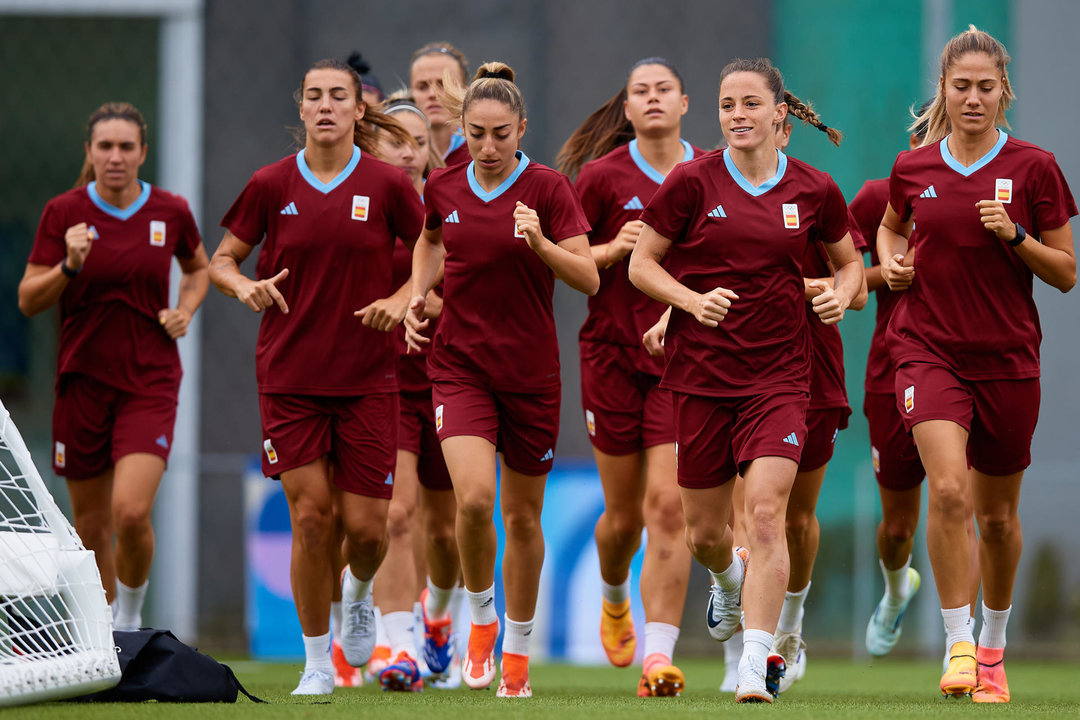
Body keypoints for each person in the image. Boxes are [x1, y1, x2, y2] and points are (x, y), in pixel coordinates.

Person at [628, 57, 865, 703]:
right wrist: (686, 300)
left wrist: (840, 294)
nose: (737, 115)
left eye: (750, 104)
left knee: (766, 517)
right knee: (706, 533)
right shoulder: (690, 182)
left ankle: (758, 665)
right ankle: (727, 585)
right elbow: (641, 266)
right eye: (728, 104)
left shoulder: (815, 190)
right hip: (702, 380)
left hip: (782, 380)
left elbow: (853, 269)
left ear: (779, 116)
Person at [209, 59, 424, 696]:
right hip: (290, 378)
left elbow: (431, 250)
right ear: (300, 109)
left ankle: (358, 591)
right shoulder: (270, 183)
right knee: (310, 517)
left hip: (367, 381)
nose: (325, 105)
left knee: (365, 528)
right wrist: (243, 285)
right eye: (314, 96)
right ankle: (315, 662)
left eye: (338, 96)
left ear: (360, 110)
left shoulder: (386, 184)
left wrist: (405, 295)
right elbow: (222, 259)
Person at [878, 26, 1075, 702]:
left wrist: (1015, 235)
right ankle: (958, 643)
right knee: (950, 491)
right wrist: (893, 262)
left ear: (1003, 92)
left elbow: (1067, 273)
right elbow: (889, 224)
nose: (971, 98)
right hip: (926, 349)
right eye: (960, 86)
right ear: (943, 90)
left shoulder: (1035, 167)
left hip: (1009, 360)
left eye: (984, 87)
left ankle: (992, 649)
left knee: (995, 519)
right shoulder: (914, 169)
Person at [404, 61, 599, 698]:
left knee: (520, 519)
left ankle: (518, 647)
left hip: (531, 376)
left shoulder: (546, 188)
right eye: (477, 133)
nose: (488, 147)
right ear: (462, 128)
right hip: (459, 367)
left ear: (522, 129)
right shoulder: (445, 185)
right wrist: (417, 293)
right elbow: (429, 242)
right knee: (473, 501)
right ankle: (480, 618)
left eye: (501, 134)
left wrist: (541, 243)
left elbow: (588, 278)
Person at [18, 102, 208, 633]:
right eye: (105, 146)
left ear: (143, 152)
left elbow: (198, 269)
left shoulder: (170, 211)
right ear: (89, 152)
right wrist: (68, 265)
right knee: (92, 525)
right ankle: (98, 633)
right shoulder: (63, 213)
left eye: (127, 147)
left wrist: (185, 310)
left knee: (130, 511)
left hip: (149, 382)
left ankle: (128, 618)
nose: (116, 157)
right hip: (81, 383)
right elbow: (29, 299)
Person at [557, 57, 698, 698]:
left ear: (685, 102)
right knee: (622, 519)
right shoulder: (601, 177)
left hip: (683, 361)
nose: (652, 99)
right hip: (611, 357)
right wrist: (615, 248)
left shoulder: (709, 173)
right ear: (629, 107)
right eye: (640, 91)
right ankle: (615, 594)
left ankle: (658, 656)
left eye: (663, 89)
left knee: (668, 506)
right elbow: (569, 258)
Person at [852, 102, 981, 662]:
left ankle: (969, 645)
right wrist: (891, 270)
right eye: (929, 135)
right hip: (892, 370)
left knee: (958, 497)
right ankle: (896, 583)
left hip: (970, 368)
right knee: (898, 524)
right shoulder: (876, 196)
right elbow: (848, 283)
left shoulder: (991, 189)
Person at [361, 92, 459, 692]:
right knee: (396, 515)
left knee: (446, 530)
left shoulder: (455, 206)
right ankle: (397, 647)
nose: (404, 149)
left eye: (416, 141)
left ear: (431, 152)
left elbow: (483, 291)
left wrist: (429, 303)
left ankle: (439, 618)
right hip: (383, 382)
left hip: (451, 382)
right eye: (392, 138)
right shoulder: (356, 206)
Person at [409, 42, 472, 166]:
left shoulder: (483, 152)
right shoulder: (397, 156)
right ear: (411, 94)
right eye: (422, 87)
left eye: (443, 84)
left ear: (466, 91)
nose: (433, 94)